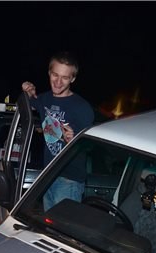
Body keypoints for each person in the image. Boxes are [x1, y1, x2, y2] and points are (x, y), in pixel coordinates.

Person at [21, 51, 95, 210]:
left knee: (63, 231)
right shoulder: (44, 99)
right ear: (49, 73)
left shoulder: (82, 108)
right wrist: (27, 90)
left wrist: (76, 141)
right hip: (47, 176)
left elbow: (92, 146)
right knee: (48, 229)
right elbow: (26, 104)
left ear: (73, 79)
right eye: (55, 75)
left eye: (65, 77)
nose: (58, 82)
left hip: (69, 180)